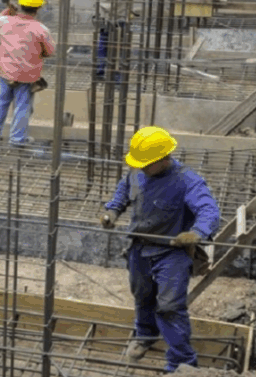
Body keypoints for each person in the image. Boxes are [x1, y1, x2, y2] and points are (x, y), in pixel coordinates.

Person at [99, 127, 221, 373]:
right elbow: (125, 190)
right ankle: (145, 334)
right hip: (139, 247)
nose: (141, 168)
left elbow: (209, 211)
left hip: (172, 252)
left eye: (147, 164)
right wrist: (112, 211)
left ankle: (182, 362)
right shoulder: (138, 170)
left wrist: (195, 234)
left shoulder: (187, 180)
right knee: (142, 294)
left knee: (169, 307)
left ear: (163, 159)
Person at [0, 0, 55, 147]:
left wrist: (9, 10)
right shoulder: (41, 29)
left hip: (5, 72)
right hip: (26, 75)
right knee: (22, 106)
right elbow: (50, 51)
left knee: (0, 102)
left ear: (21, 6)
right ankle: (17, 139)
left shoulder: (6, 22)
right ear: (38, 9)